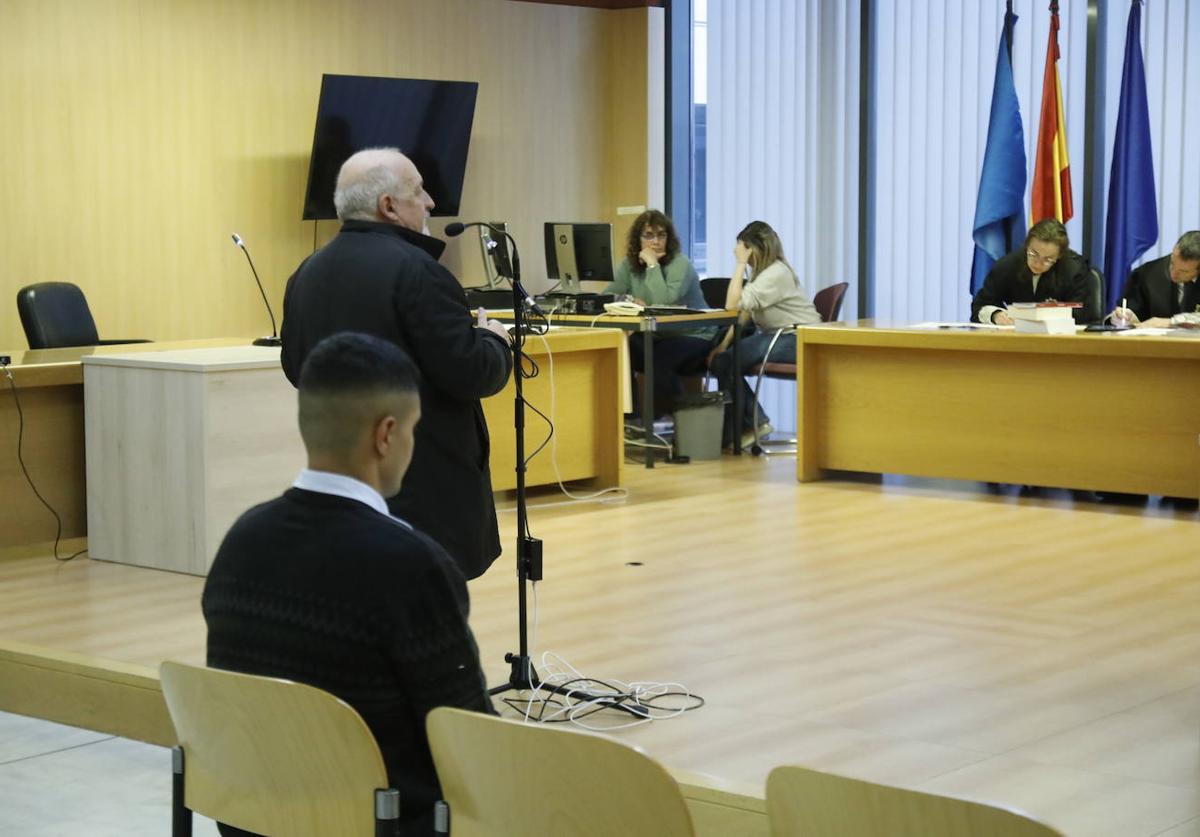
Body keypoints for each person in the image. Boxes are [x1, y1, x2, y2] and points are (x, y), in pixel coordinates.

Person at [203, 332, 495, 837]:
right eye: (412, 430)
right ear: (386, 435)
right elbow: (473, 745)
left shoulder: (240, 541)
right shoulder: (411, 565)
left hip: (251, 820)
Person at [280, 147, 512, 580]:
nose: (430, 203)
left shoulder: (306, 273)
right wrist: (494, 342)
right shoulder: (420, 272)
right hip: (423, 486)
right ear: (388, 206)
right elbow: (471, 372)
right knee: (424, 616)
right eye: (419, 191)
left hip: (341, 480)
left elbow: (296, 368)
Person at [707, 221, 820, 448]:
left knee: (726, 362)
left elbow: (732, 304)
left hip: (797, 339)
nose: (744, 257)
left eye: (745, 251)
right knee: (724, 359)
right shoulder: (766, 274)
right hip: (781, 336)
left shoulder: (776, 273)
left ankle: (754, 423)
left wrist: (739, 264)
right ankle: (742, 428)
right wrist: (724, 344)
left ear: (755, 249)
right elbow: (744, 314)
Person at [603, 209, 718, 418]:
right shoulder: (629, 265)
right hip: (657, 335)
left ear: (669, 238)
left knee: (659, 358)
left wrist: (652, 264)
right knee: (620, 346)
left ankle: (678, 421)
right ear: (638, 239)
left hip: (693, 335)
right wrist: (629, 300)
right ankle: (631, 418)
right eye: (648, 235)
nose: (655, 241)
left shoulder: (680, 264)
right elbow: (608, 296)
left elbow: (663, 302)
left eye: (661, 235)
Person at [971, 219, 1090, 325]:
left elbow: (1081, 314)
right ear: (1027, 246)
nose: (1038, 263)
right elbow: (980, 305)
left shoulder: (1075, 270)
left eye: (1047, 259)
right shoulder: (1007, 266)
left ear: (1059, 256)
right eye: (1033, 254)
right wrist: (996, 315)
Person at [1109, 231, 1200, 328]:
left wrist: (1171, 322)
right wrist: (1124, 317)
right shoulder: (1146, 274)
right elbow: (1133, 316)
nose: (1173, 274)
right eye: (1172, 263)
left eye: (1183, 271)